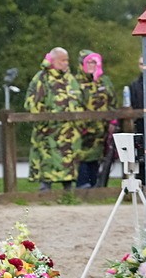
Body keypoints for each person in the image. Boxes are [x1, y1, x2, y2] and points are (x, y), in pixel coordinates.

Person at [24, 47, 82, 191]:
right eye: (62, 60)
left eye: (67, 60)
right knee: (47, 161)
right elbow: (32, 103)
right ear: (54, 61)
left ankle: (68, 193)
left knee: (68, 164)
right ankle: (45, 191)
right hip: (48, 131)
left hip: (69, 132)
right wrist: (44, 120)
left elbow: (79, 100)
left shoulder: (70, 79)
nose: (66, 63)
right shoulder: (42, 78)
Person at [73, 49, 116, 188]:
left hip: (101, 130)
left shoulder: (104, 81)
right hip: (82, 131)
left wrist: (113, 121)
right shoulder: (74, 82)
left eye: (94, 62)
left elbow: (112, 101)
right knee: (83, 159)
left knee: (96, 158)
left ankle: (95, 189)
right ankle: (82, 187)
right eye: (89, 62)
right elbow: (73, 105)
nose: (92, 65)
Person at [127, 55, 145, 185]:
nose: (143, 67)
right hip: (140, 125)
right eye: (141, 64)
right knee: (141, 155)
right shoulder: (134, 85)